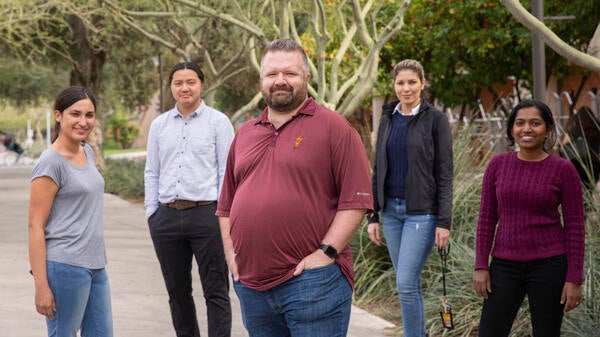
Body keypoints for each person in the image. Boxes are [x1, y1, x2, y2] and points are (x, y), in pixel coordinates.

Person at [215, 38, 373, 337]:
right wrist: (232, 258)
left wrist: (326, 253)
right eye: (272, 74)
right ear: (261, 80)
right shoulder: (246, 133)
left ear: (307, 78)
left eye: (290, 73)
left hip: (312, 284)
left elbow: (356, 200)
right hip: (252, 286)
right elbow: (226, 206)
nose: (280, 81)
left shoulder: (334, 128)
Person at [473, 100, 585, 337]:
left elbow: (575, 226)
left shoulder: (563, 170)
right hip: (504, 266)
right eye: (520, 123)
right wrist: (481, 264)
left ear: (547, 130)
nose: (527, 129)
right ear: (512, 129)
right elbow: (486, 218)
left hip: (550, 266)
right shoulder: (497, 165)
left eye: (535, 123)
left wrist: (574, 277)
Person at [144, 62, 234, 337]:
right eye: (178, 83)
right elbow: (152, 170)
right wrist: (152, 213)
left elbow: (227, 172)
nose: (184, 87)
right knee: (177, 292)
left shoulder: (218, 122)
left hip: (207, 215)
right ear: (171, 87)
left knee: (215, 290)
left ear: (201, 85)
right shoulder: (159, 125)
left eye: (190, 82)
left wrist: (222, 215)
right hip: (167, 217)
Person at [366, 59, 453, 337]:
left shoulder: (435, 120)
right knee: (408, 283)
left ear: (422, 84)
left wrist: (444, 221)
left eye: (412, 82)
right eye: (400, 83)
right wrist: (373, 214)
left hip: (422, 213)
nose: (406, 88)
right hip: (390, 213)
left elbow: (444, 172)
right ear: (394, 85)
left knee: (404, 283)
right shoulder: (388, 116)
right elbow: (378, 166)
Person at [28, 86, 113, 336]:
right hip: (65, 265)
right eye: (75, 114)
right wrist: (41, 285)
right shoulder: (50, 162)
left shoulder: (86, 151)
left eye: (89, 115)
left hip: (96, 264)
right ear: (58, 116)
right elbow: (35, 226)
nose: (83, 122)